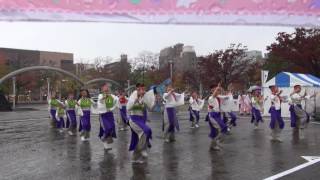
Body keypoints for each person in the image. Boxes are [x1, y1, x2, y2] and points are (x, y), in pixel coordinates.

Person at [127, 83, 155, 163]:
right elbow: (128, 108)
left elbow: (150, 108)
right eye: (141, 89)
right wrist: (136, 99)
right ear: (137, 89)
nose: (143, 91)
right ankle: (142, 149)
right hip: (134, 119)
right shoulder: (133, 95)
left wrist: (155, 100)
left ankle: (135, 158)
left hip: (141, 120)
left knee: (140, 137)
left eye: (144, 89)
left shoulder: (144, 97)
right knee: (145, 131)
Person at [206, 83, 228, 151]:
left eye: (217, 89)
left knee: (214, 132)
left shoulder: (218, 98)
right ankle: (218, 142)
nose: (217, 90)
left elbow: (225, 96)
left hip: (217, 115)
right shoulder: (211, 97)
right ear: (212, 90)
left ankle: (212, 146)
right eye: (215, 89)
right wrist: (218, 87)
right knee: (223, 127)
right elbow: (214, 94)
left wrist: (222, 90)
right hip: (212, 116)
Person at [97, 84, 119, 150]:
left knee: (111, 128)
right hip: (103, 115)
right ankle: (103, 138)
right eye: (105, 89)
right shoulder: (100, 95)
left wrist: (112, 108)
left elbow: (117, 102)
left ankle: (106, 145)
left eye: (108, 88)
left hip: (110, 114)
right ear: (102, 90)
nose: (106, 90)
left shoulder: (112, 96)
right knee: (107, 128)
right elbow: (100, 102)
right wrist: (104, 97)